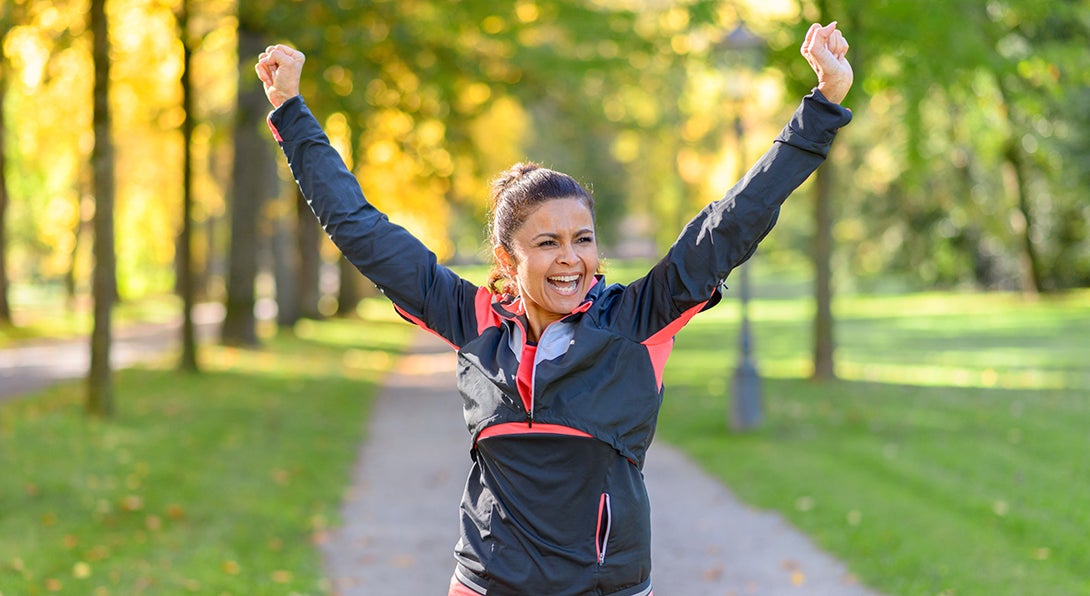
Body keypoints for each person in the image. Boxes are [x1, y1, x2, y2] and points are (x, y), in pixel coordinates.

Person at [256, 21, 852, 596]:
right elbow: (360, 228)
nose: (571, 259)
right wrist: (290, 110)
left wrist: (821, 107)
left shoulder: (635, 322)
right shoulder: (475, 322)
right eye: (547, 243)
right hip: (485, 585)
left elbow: (731, 222)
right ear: (506, 257)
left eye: (583, 239)